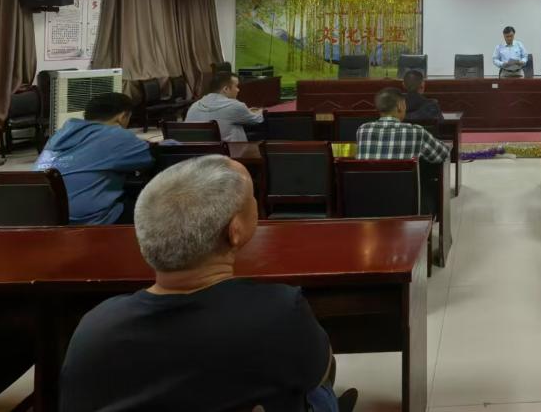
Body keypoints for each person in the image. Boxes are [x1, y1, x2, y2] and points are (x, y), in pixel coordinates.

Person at [59, 156, 357, 412]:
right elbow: (318, 369)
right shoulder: (279, 312)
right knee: (318, 388)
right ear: (235, 231)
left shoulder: (94, 328)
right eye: (252, 198)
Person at [34, 92, 153, 225]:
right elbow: (150, 158)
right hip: (89, 221)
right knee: (156, 207)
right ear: (123, 116)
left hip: (42, 217)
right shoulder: (115, 135)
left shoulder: (59, 135)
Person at [356, 88, 450, 164]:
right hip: (403, 183)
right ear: (400, 106)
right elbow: (443, 155)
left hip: (368, 183)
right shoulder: (416, 132)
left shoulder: (363, 130)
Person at [185, 71, 263, 142]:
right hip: (228, 152)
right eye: (236, 86)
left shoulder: (194, 106)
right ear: (226, 89)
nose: (238, 90)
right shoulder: (235, 106)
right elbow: (257, 120)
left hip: (198, 152)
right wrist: (260, 111)